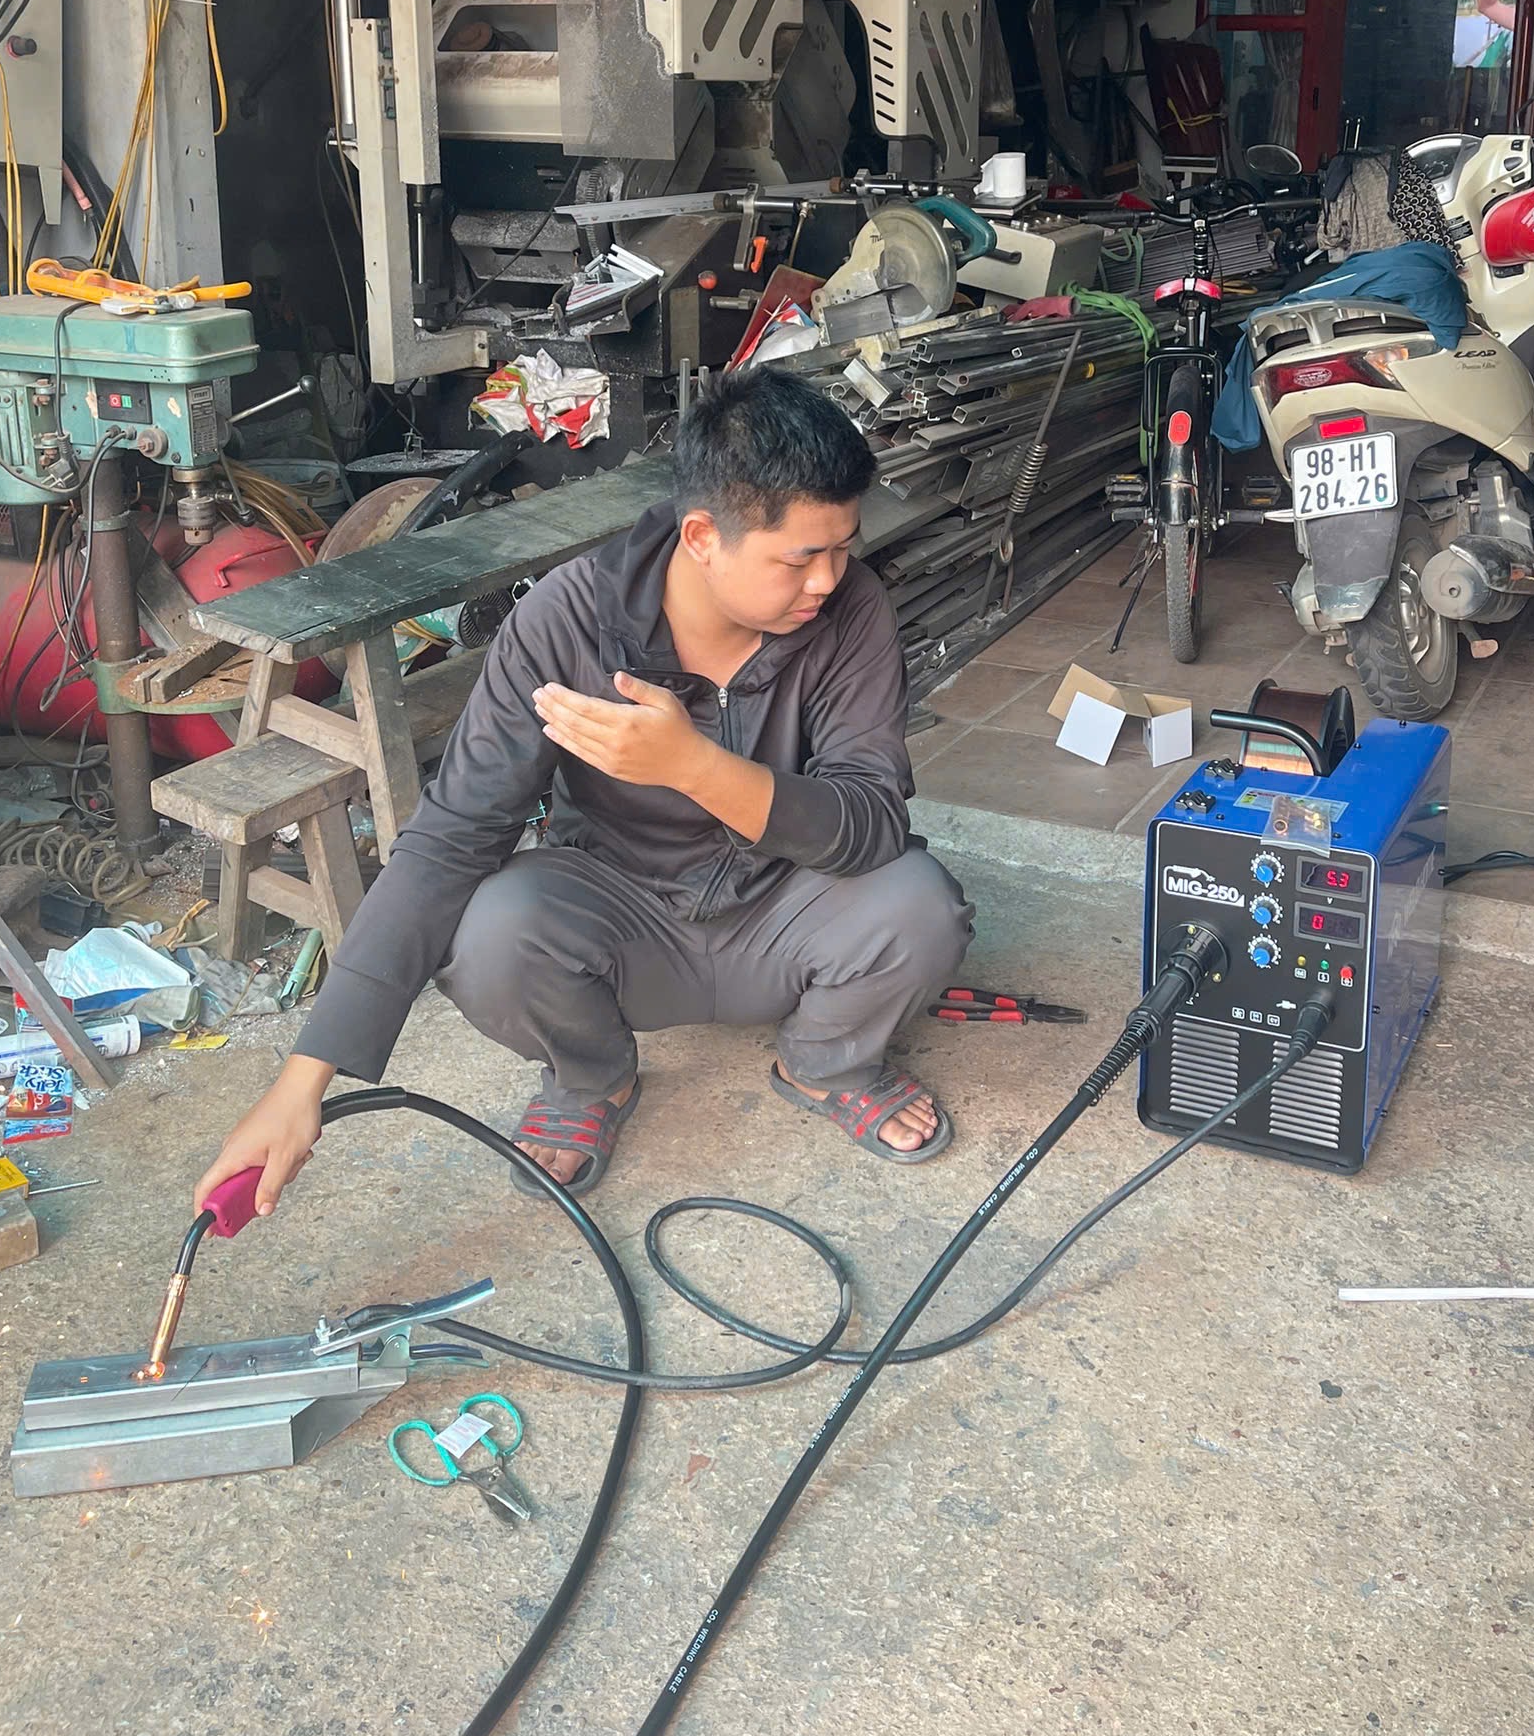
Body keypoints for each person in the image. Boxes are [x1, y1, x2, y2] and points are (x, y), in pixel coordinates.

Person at [193, 368, 974, 1215]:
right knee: (491, 931)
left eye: (842, 548)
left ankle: (826, 1062)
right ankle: (592, 1076)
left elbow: (870, 821)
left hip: (785, 914)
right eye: (800, 558)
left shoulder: (849, 609)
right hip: (623, 922)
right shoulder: (567, 621)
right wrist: (302, 1080)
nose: (827, 579)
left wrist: (695, 766)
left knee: (918, 905)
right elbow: (451, 839)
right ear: (702, 537)